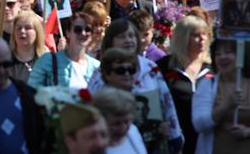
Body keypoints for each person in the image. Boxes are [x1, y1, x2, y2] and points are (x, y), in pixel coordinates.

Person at [156, 15, 211, 154]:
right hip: (175, 143)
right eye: (196, 35)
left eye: (204, 34)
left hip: (207, 142)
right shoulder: (164, 66)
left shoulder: (213, 67)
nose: (202, 39)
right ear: (183, 38)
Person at [192, 38, 250, 153]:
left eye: (228, 52)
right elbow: (199, 124)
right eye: (218, 54)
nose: (222, 57)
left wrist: (247, 132)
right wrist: (225, 105)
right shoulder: (208, 84)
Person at [28, 12, 100, 89]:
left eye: (88, 29)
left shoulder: (97, 66)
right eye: (78, 29)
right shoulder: (48, 60)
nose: (83, 33)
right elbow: (31, 91)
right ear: (68, 33)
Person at [92, 87, 147, 154]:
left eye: (126, 121)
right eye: (116, 123)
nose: (123, 128)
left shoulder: (133, 130)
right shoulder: (91, 148)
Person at [10, 10, 49, 83]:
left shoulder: (47, 61)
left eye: (27, 28)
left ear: (37, 32)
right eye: (19, 28)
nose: (22, 31)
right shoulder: (4, 61)